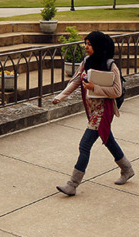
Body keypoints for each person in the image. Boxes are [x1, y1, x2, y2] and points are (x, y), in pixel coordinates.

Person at [52, 31, 133, 195]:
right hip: (92, 110)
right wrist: (61, 97)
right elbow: (76, 80)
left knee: (84, 145)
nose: (86, 47)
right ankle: (127, 169)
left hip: (103, 112)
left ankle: (72, 184)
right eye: (86, 43)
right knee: (108, 139)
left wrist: (94, 88)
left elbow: (117, 91)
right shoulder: (86, 62)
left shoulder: (110, 65)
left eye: (90, 44)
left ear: (98, 46)